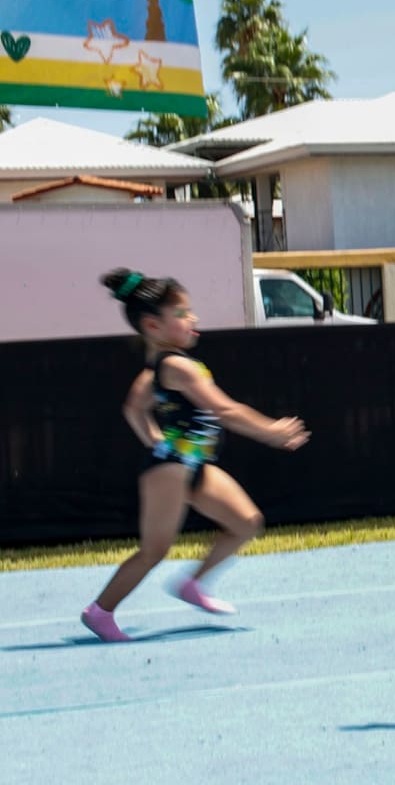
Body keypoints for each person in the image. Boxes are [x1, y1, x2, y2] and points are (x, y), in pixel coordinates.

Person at [81, 268, 310, 642]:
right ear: (153, 326)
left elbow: (133, 408)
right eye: (183, 314)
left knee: (247, 522)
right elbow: (226, 411)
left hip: (192, 465)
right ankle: (100, 610)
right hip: (170, 470)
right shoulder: (176, 367)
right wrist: (270, 431)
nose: (194, 318)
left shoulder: (159, 369)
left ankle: (193, 583)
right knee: (155, 549)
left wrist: (156, 439)